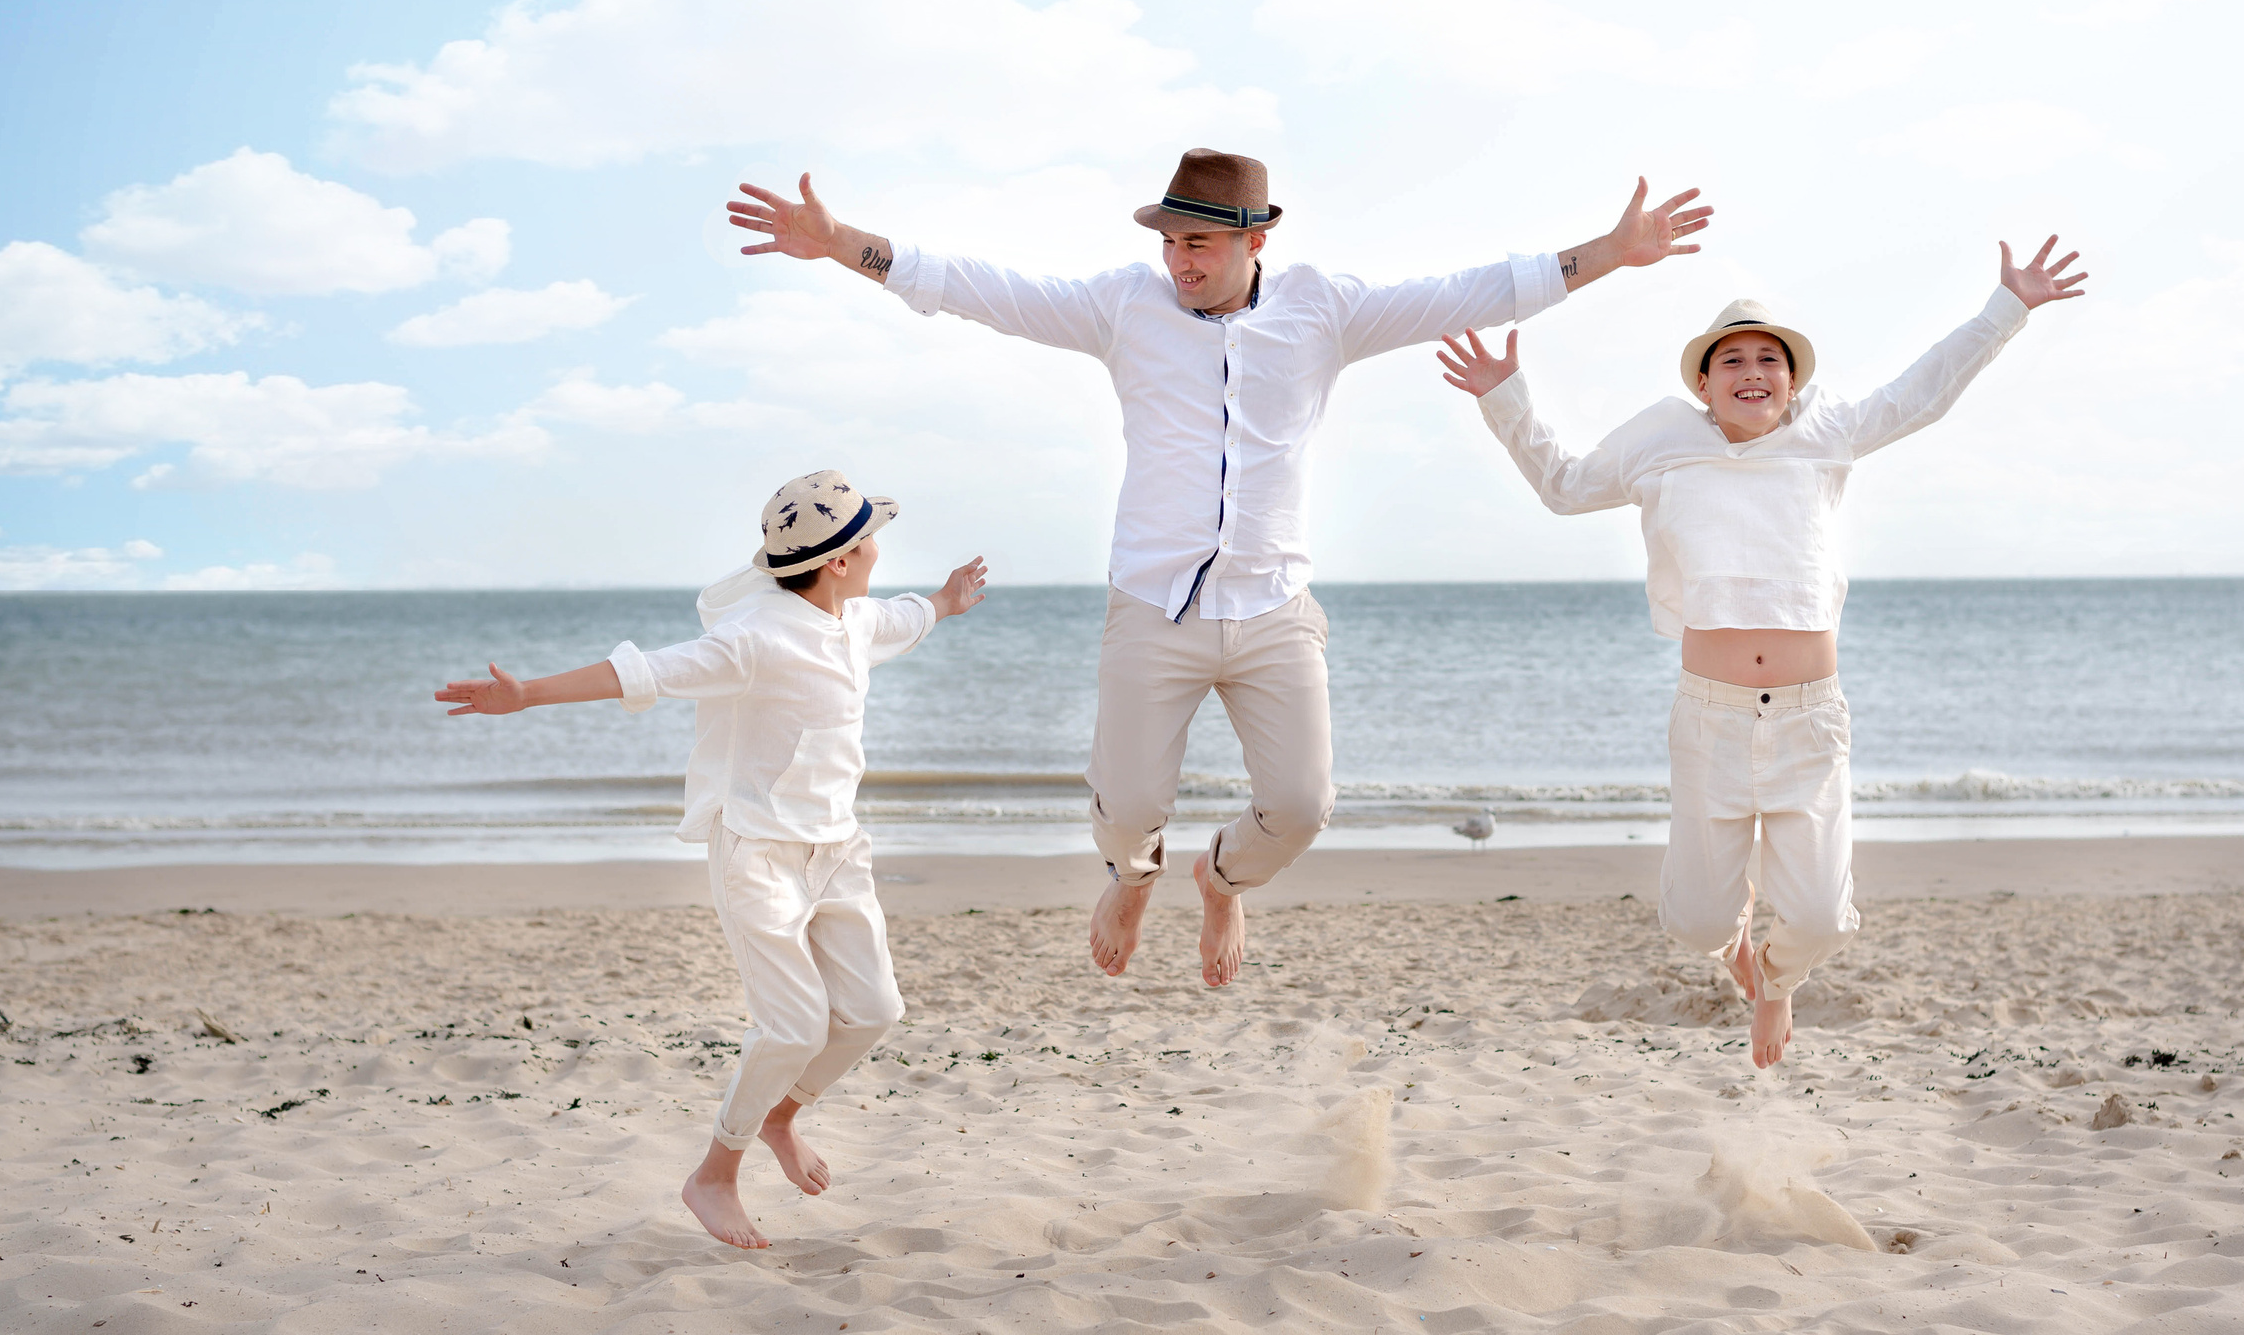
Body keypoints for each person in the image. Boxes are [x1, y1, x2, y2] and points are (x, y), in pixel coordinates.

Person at [723, 150, 1711, 988]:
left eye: (1196, 242)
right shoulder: (1124, 307)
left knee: (1301, 806)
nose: (1176, 259)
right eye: (1167, 240)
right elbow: (985, 290)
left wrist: (1611, 256)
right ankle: (1136, 873)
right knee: (1127, 812)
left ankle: (1221, 885)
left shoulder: (1322, 310)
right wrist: (846, 242)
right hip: (1151, 606)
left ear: (1253, 240)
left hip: (1275, 606)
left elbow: (1474, 288)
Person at [1437, 237, 2088, 1067]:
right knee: (1699, 924)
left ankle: (1776, 983)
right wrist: (1507, 399)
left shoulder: (1828, 433)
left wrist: (2009, 307)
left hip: (1810, 724)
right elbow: (1564, 488)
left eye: (1770, 359)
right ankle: (1738, 949)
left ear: (1793, 378)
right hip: (1709, 721)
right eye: (1732, 359)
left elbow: (1924, 392)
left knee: (1820, 919)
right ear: (1704, 382)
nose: (1753, 372)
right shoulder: (1663, 440)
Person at [430, 470, 988, 1249]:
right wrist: (527, 695)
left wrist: (948, 599)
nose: (876, 550)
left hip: (837, 849)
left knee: (873, 1012)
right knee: (792, 1026)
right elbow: (648, 672)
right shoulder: (754, 636)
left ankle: (781, 1119)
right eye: (869, 539)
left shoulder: (854, 619)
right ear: (838, 561)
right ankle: (713, 1176)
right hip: (757, 852)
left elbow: (906, 616)